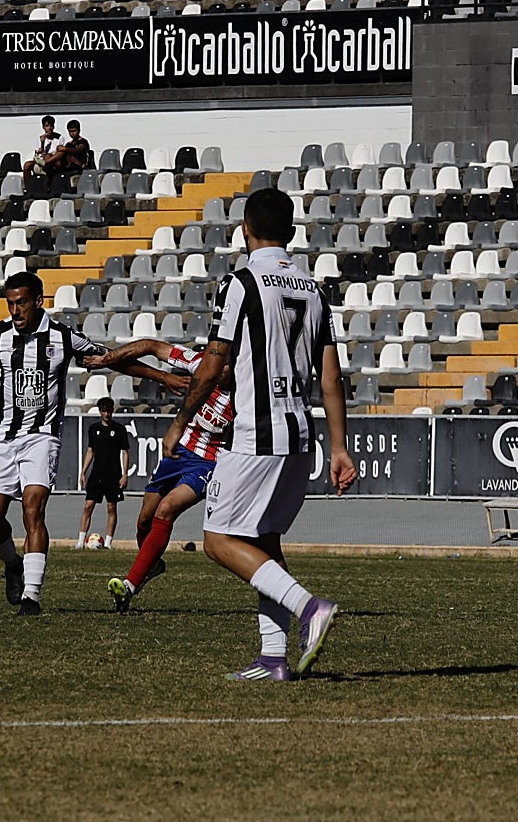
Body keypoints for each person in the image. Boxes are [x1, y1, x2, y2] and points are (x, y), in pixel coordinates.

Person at [161, 187, 357, 681]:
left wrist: (182, 421)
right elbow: (330, 377)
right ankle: (273, 658)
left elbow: (212, 365)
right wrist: (338, 445)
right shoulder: (314, 290)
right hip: (299, 434)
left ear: (243, 228)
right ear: (291, 233)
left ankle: (309, 607)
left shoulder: (242, 282)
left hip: (253, 434)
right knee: (264, 541)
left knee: (218, 540)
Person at [0, 271, 183, 616]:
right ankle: (14, 563)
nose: (15, 311)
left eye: (21, 303)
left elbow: (113, 359)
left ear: (38, 301)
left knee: (32, 508)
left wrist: (163, 376)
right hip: (1, 437)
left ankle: (31, 597)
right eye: (10, 304)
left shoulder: (62, 337)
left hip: (42, 437)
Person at [82, 338, 232, 612]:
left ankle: (129, 585)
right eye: (220, 363)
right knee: (145, 519)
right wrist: (108, 359)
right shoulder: (199, 364)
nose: (221, 369)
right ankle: (151, 564)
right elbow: (151, 346)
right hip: (179, 452)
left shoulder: (247, 397)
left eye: (227, 365)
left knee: (166, 509)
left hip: (209, 463)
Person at [76, 396, 130, 550]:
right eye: (104, 411)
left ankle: (108, 542)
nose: (106, 414)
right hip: (97, 473)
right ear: (100, 412)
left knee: (111, 507)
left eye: (109, 411)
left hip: (113, 473)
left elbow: (125, 452)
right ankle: (80, 541)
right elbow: (90, 451)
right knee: (88, 505)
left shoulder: (120, 430)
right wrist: (83, 471)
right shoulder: (94, 429)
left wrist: (125, 474)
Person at [22, 114, 63, 186]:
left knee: (48, 156)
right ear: (43, 127)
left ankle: (47, 184)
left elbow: (60, 152)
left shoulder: (59, 137)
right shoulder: (41, 138)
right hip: (41, 160)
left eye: (51, 126)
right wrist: (42, 143)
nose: (49, 128)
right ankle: (28, 188)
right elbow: (38, 153)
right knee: (27, 165)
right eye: (47, 126)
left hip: (53, 160)